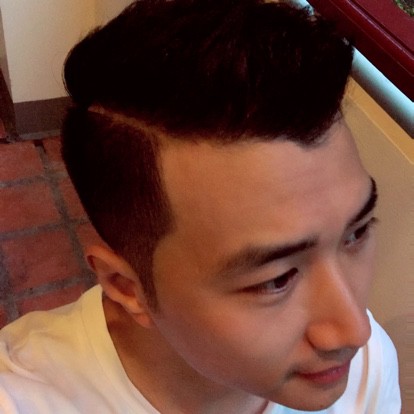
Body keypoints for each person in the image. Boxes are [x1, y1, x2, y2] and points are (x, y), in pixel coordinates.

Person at [0, 1, 401, 413]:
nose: (354, 331)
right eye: (276, 280)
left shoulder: (369, 369)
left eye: (356, 233)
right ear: (127, 288)